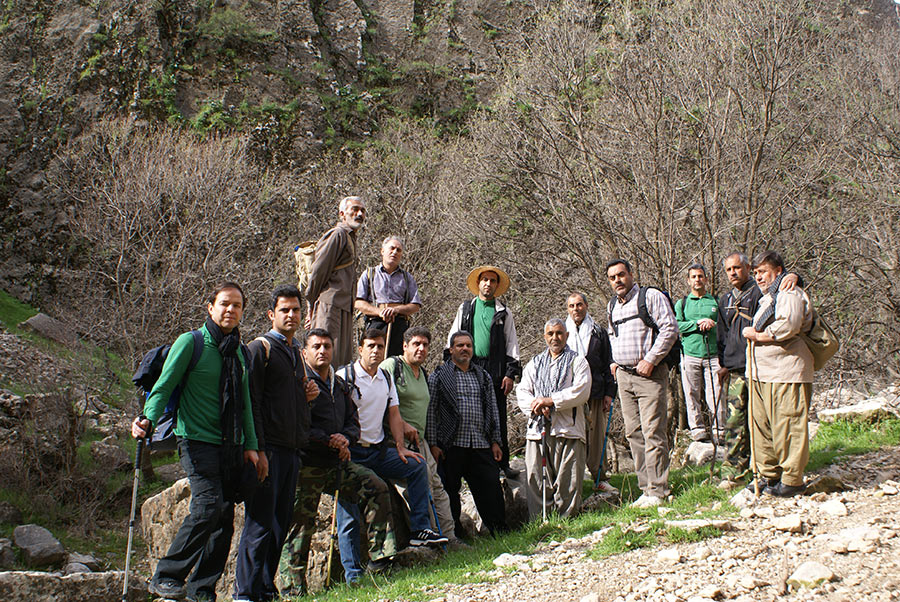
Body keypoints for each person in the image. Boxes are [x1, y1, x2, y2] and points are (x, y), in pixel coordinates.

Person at [131, 282, 264, 602]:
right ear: (210, 307)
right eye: (224, 304)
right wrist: (147, 417)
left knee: (224, 519)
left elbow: (245, 403)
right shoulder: (191, 343)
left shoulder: (240, 352)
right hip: (195, 439)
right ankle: (166, 575)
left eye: (237, 306)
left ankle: (202, 589)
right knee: (208, 506)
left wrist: (252, 446)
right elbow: (164, 386)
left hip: (230, 445)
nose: (231, 310)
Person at [278, 329, 396, 596]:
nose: (323, 351)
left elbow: (354, 421)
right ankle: (293, 590)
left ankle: (380, 562)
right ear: (304, 352)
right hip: (306, 466)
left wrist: (345, 437)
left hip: (336, 464)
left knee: (375, 486)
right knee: (300, 528)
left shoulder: (340, 384)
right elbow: (293, 425)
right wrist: (327, 439)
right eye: (316, 346)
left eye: (327, 346)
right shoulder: (298, 384)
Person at [335, 328, 447, 580]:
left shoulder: (385, 378)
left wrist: (400, 447)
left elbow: (394, 413)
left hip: (378, 450)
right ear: (360, 348)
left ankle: (420, 531)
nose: (375, 351)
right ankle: (353, 574)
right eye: (370, 346)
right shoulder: (345, 377)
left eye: (379, 346)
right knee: (349, 514)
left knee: (417, 466)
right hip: (352, 452)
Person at [234, 285, 317, 602]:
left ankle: (265, 588)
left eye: (296, 310)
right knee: (259, 524)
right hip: (268, 451)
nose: (291, 315)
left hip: (293, 450)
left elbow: (286, 402)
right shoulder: (260, 349)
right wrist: (257, 450)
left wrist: (306, 398)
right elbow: (251, 401)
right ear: (271, 314)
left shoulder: (297, 353)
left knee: (280, 524)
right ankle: (245, 591)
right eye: (285, 310)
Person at [716, 252, 799, 478]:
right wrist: (722, 364)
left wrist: (794, 276)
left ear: (747, 268)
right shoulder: (725, 300)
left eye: (737, 268)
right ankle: (733, 472)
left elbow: (784, 291)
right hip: (734, 369)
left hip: (760, 366)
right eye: (728, 270)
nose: (733, 273)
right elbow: (721, 334)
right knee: (734, 422)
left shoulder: (761, 293)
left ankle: (770, 469)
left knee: (764, 422)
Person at [605, 259, 678, 508]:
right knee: (634, 433)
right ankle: (646, 489)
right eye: (613, 277)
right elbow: (612, 335)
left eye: (621, 275)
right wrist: (613, 363)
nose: (618, 280)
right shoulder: (612, 305)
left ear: (631, 274)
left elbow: (669, 329)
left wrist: (651, 359)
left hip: (650, 374)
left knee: (653, 431)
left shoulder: (651, 297)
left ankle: (659, 490)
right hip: (624, 376)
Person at [742, 251, 813, 497]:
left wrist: (758, 335)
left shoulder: (790, 293)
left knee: (788, 423)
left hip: (787, 371)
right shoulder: (765, 299)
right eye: (756, 273)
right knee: (761, 426)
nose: (758, 277)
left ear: (779, 271)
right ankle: (768, 475)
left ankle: (792, 479)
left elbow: (790, 324)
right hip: (761, 373)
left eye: (763, 271)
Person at [379, 326, 458, 543]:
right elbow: (378, 400)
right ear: (405, 346)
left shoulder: (423, 373)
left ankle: (449, 538)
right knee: (417, 491)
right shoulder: (391, 366)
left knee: (438, 488)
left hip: (420, 440)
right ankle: (428, 537)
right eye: (416, 344)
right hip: (397, 440)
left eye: (425, 345)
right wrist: (402, 426)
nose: (421, 349)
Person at [427, 331, 508, 536]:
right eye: (460, 345)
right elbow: (431, 412)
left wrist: (496, 441)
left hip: (480, 443)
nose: (465, 349)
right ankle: (456, 534)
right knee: (450, 491)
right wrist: (433, 443)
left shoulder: (483, 376)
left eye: (468, 346)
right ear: (451, 350)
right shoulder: (438, 376)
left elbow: (492, 409)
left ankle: (499, 530)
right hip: (451, 444)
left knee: (490, 488)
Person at [447, 265, 521, 478]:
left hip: (496, 371)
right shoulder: (466, 309)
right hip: (469, 367)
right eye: (485, 280)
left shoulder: (503, 312)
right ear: (478, 283)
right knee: (469, 414)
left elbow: (511, 343)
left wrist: (510, 373)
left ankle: (502, 463)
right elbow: (453, 336)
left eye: (492, 280)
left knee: (497, 416)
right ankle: (470, 464)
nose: (488, 283)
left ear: (497, 286)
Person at [516, 319, 591, 517]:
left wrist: (551, 401)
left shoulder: (578, 361)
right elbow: (522, 391)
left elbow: (581, 391)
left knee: (569, 479)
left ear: (566, 336)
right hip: (538, 429)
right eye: (550, 334)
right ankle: (541, 522)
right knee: (536, 478)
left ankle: (567, 522)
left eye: (559, 333)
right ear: (545, 337)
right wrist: (537, 406)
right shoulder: (535, 363)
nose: (555, 338)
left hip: (568, 428)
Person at [565, 292, 618, 494]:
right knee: (573, 436)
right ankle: (571, 481)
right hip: (570, 393)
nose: (576, 309)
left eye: (579, 305)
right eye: (571, 306)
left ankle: (599, 478)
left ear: (586, 306)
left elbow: (607, 364)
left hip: (595, 391)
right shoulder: (562, 332)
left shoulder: (598, 332)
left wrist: (609, 393)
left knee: (596, 438)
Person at [306, 195, 366, 366]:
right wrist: (311, 303)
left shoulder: (350, 237)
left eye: (362, 210)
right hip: (329, 306)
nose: (359, 214)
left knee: (342, 362)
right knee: (325, 358)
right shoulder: (337, 235)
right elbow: (319, 271)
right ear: (342, 214)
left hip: (345, 308)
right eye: (354, 209)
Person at [674, 264, 725, 443]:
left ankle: (720, 429)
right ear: (688, 281)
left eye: (700, 276)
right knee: (691, 393)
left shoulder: (715, 302)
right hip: (690, 354)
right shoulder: (682, 303)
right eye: (694, 277)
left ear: (706, 279)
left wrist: (712, 324)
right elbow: (675, 325)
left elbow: (725, 326)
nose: (697, 280)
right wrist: (697, 324)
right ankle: (697, 429)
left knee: (716, 394)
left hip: (713, 355)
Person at [355, 236, 423, 357]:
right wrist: (379, 312)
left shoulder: (407, 278)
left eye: (398, 250)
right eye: (392, 248)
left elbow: (415, 305)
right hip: (375, 324)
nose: (395, 252)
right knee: (373, 358)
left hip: (400, 325)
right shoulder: (369, 274)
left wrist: (396, 310)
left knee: (396, 362)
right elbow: (358, 302)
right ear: (382, 251)